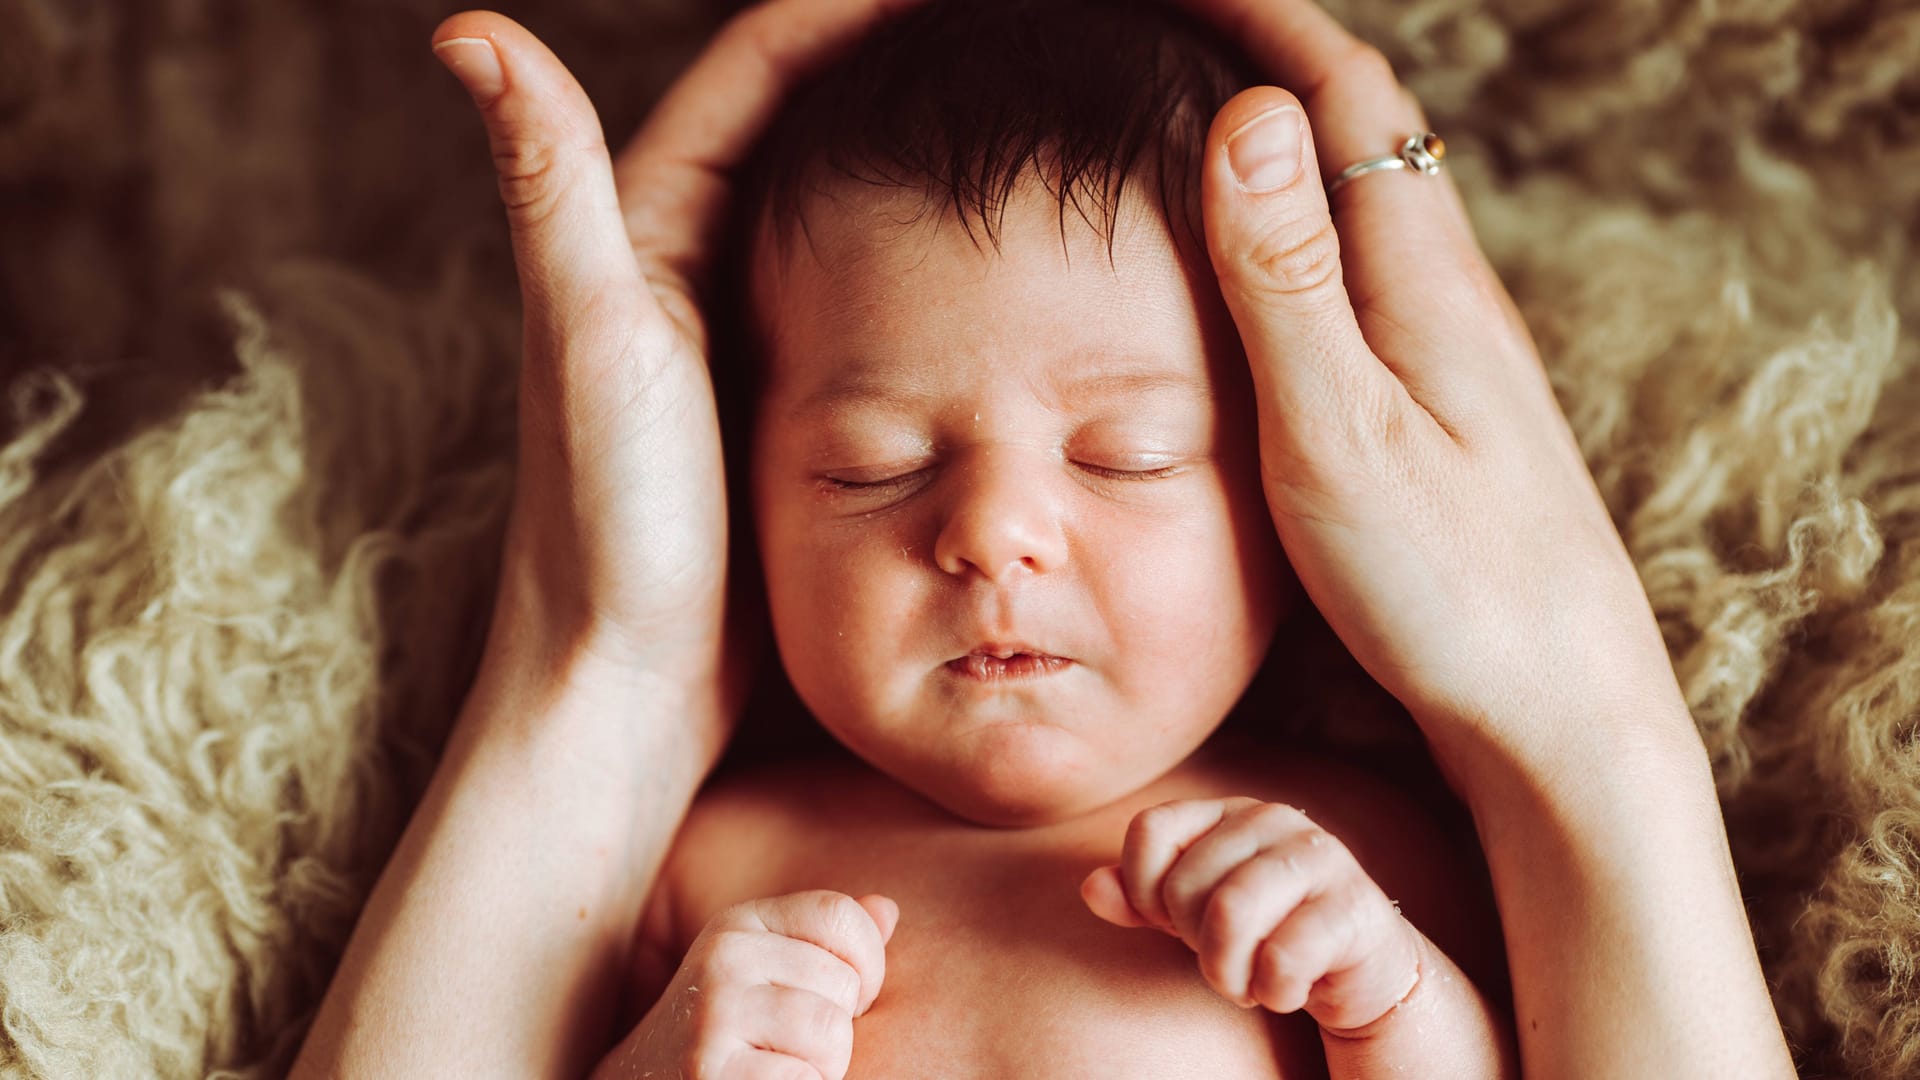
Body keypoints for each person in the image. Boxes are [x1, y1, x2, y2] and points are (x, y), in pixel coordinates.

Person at [287, 0, 1799, 1076]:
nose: (995, 532)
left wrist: (1391, 1002)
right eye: (871, 467)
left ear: (1296, 480)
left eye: (1125, 454)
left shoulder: (1360, 852)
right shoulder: (704, 866)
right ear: (739, 479)